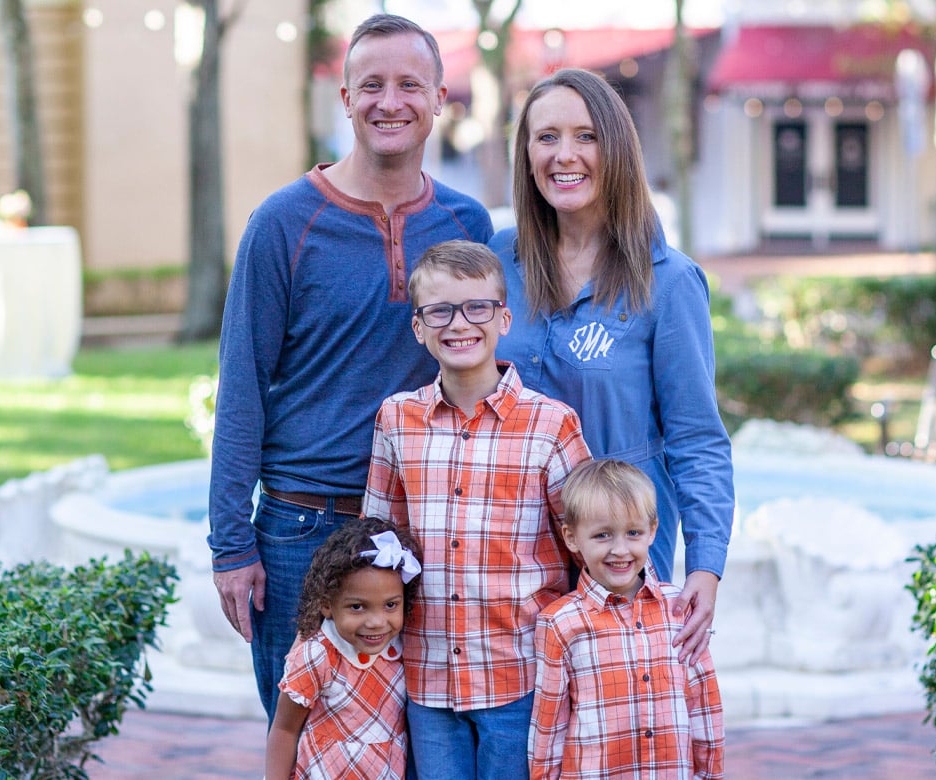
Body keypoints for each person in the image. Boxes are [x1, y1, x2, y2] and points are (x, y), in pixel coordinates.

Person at [207, 13, 494, 722]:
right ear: (345, 98)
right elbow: (240, 383)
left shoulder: (467, 225)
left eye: (408, 84)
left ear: (438, 99)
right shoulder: (283, 222)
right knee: (304, 743)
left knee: (413, 743)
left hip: (420, 527)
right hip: (301, 530)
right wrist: (229, 545)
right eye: (371, 84)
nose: (388, 102)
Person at [490, 68, 734, 665]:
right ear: (525, 154)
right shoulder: (497, 260)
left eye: (586, 136)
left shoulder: (668, 283)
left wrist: (706, 564)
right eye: (546, 137)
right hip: (509, 559)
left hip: (616, 562)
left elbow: (697, 437)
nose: (564, 155)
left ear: (618, 149)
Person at [364, 240, 592, 780]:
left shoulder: (552, 424)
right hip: (428, 674)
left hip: (521, 672)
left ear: (504, 318)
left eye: (477, 308)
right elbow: (377, 545)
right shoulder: (396, 420)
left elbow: (586, 547)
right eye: (439, 310)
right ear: (419, 327)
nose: (458, 323)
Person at [529, 458, 724, 780]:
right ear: (572, 537)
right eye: (603, 535)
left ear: (652, 531)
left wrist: (709, 774)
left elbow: (704, 705)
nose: (620, 550)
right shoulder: (559, 623)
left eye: (633, 532)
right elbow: (549, 725)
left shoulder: (679, 610)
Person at [265, 517, 423, 780]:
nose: (376, 622)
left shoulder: (400, 648)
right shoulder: (318, 656)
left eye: (390, 605)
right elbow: (284, 729)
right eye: (357, 607)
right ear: (327, 604)